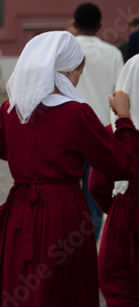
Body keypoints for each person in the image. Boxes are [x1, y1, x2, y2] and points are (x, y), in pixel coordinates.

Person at [0, 31, 139, 307]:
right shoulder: (76, 113)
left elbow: (4, 152)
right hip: (62, 210)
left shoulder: (11, 108)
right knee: (61, 288)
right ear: (67, 71)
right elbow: (122, 165)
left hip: (20, 208)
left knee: (18, 284)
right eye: (78, 72)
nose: (78, 79)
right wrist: (124, 119)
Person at [89, 55, 139, 306]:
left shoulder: (115, 133)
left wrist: (120, 207)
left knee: (123, 290)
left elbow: (96, 186)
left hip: (126, 219)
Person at [73, 2, 124, 239]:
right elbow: (120, 94)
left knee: (68, 193)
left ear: (74, 24)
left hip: (70, 133)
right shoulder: (113, 53)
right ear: (100, 26)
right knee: (94, 195)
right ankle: (89, 248)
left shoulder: (67, 51)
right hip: (102, 133)